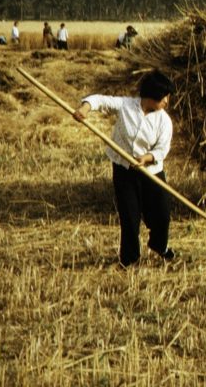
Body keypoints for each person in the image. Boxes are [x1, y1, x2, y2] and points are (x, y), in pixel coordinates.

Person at [73, 70, 176, 267]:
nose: (166, 102)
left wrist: (147, 157)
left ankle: (158, 245)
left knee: (162, 213)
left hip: (151, 171)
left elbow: (163, 148)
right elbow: (99, 100)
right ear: (151, 96)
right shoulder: (126, 106)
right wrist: (85, 109)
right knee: (130, 216)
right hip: (124, 170)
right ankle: (129, 261)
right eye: (164, 98)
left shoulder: (164, 121)